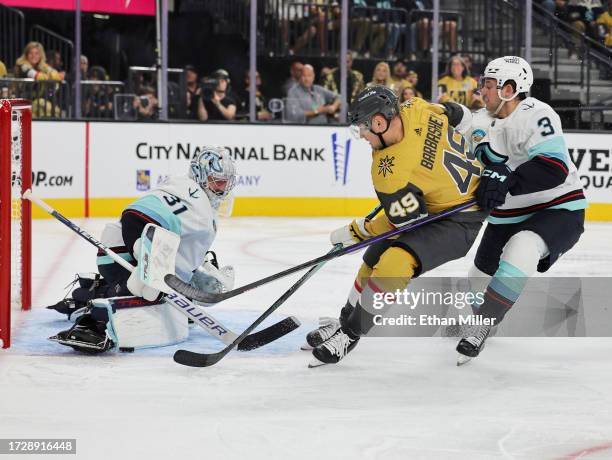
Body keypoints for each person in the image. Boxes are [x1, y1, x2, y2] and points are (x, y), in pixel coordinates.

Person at [305, 85, 485, 367]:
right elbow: (462, 115)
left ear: (379, 122)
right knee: (373, 256)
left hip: (461, 219)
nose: (362, 136)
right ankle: (345, 320)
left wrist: (358, 231)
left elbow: (401, 222)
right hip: (432, 207)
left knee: (395, 262)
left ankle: (350, 334)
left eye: (363, 128)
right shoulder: (417, 106)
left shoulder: (388, 171)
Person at [456, 56, 587, 363]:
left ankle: (484, 323)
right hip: (508, 214)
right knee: (477, 277)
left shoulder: (538, 113)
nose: (481, 92)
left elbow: (553, 168)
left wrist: (508, 179)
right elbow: (459, 129)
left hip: (558, 208)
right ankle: (485, 317)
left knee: (522, 248)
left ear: (509, 89)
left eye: (488, 85)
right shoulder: (480, 120)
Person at [48, 148, 238, 353]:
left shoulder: (198, 202)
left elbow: (179, 247)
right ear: (200, 176)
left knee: (157, 291)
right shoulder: (190, 194)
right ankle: (94, 322)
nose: (223, 187)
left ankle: (88, 293)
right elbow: (134, 217)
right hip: (120, 256)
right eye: (218, 180)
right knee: (149, 291)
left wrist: (195, 279)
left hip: (135, 256)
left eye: (226, 181)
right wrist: (145, 254)